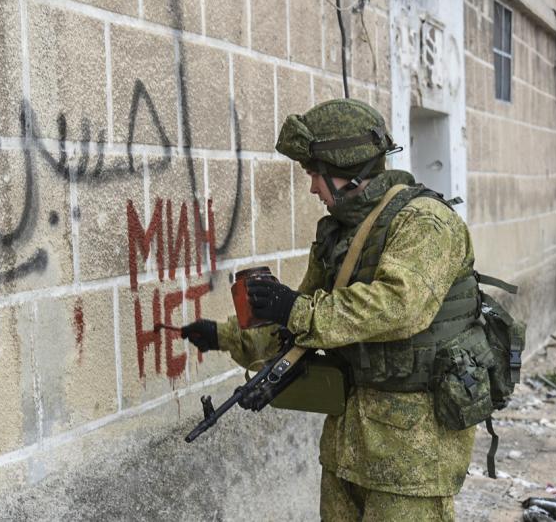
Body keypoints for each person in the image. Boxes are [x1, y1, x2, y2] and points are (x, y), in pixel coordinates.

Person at [181, 98, 484, 521]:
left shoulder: (424, 223)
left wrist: (296, 311)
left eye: (313, 174)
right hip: (348, 443)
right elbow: (299, 321)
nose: (311, 188)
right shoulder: (341, 233)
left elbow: (399, 306)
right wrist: (223, 336)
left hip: (413, 454)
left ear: (346, 168)